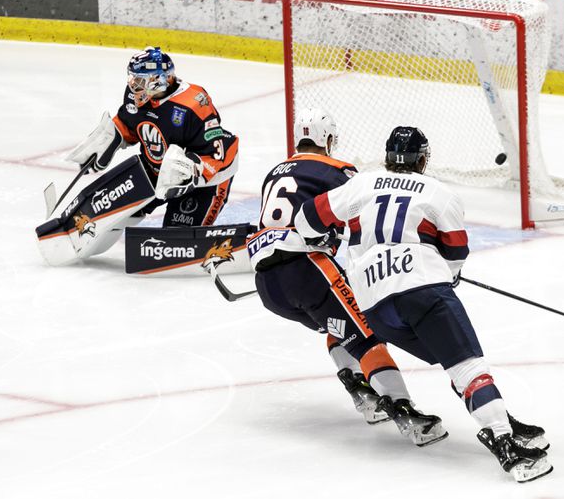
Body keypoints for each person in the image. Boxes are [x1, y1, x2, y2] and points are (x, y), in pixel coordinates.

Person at [294, 126, 553, 482]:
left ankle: (500, 417)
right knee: (466, 366)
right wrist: (444, 276)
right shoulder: (439, 193)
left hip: (373, 303)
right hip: (423, 289)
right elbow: (456, 252)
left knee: (455, 363)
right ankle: (504, 443)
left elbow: (305, 218)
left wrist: (326, 239)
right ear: (423, 158)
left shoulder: (360, 183)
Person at [245, 109, 447, 447]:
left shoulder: (273, 172)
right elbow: (368, 212)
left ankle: (362, 392)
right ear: (327, 139)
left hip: (267, 282)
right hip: (307, 270)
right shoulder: (336, 170)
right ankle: (405, 412)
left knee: (335, 325)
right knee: (367, 332)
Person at [68, 46, 239, 228]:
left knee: (174, 244)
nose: (133, 84)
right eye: (132, 78)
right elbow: (130, 123)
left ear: (158, 80)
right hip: (154, 171)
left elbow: (216, 154)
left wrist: (192, 171)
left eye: (139, 80)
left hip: (204, 184)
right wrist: (114, 134)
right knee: (103, 208)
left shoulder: (193, 104)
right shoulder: (136, 96)